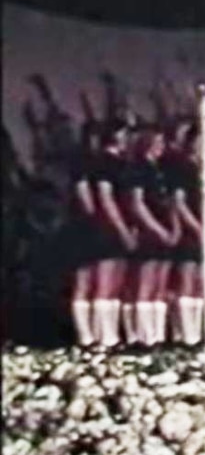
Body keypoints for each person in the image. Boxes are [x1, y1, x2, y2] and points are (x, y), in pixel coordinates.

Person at [128, 127, 180, 346]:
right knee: (146, 283)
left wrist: (175, 227)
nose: (161, 147)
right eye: (156, 142)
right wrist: (157, 229)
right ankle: (143, 335)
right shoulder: (139, 169)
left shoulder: (162, 171)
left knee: (160, 283)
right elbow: (137, 203)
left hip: (166, 227)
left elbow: (170, 204)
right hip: (149, 229)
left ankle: (157, 335)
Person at [88, 121, 137, 347]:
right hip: (107, 227)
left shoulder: (123, 164)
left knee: (117, 283)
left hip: (123, 224)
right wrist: (121, 228)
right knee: (105, 282)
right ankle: (101, 337)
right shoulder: (104, 164)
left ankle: (112, 334)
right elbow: (106, 198)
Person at [170, 126, 205, 345]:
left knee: (199, 282)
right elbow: (179, 203)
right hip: (188, 230)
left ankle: (196, 331)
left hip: (202, 230)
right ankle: (184, 334)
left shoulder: (204, 170)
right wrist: (197, 227)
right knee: (186, 279)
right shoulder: (182, 169)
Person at [68, 121, 102, 346]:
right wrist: (94, 216)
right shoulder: (81, 164)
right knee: (83, 281)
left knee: (97, 281)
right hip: (83, 227)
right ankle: (85, 335)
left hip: (96, 226)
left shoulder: (99, 164)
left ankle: (97, 333)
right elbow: (84, 196)